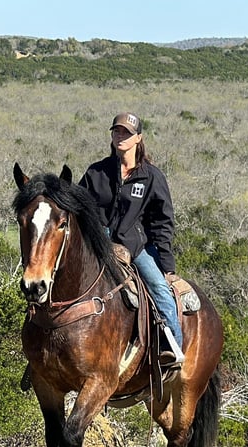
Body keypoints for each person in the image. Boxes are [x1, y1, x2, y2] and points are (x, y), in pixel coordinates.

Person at [79, 112, 184, 366]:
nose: (120, 136)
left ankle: (173, 348)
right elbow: (79, 207)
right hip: (98, 244)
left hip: (135, 247)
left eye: (126, 132)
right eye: (116, 131)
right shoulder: (97, 172)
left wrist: (167, 266)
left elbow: (163, 222)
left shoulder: (152, 177)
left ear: (138, 138)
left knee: (159, 288)